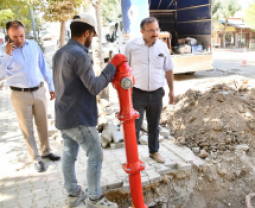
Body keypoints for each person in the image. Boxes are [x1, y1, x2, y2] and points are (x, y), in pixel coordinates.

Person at [52, 13, 124, 208]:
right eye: (93, 35)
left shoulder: (60, 53)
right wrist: (112, 67)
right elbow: (94, 87)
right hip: (79, 117)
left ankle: (74, 194)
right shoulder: (79, 55)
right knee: (95, 155)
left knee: (69, 154)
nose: (93, 40)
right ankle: (95, 199)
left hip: (63, 114)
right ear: (86, 33)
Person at [0, 21, 60, 172]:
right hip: (20, 95)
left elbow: (43, 66)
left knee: (43, 125)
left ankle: (46, 152)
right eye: (15, 37)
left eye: (21, 35)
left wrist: (51, 86)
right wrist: (7, 55)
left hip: (39, 91)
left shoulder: (33, 45)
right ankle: (36, 158)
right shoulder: (3, 51)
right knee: (27, 129)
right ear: (8, 35)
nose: (19, 40)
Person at [124, 17, 175, 163]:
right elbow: (122, 70)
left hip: (156, 93)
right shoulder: (131, 47)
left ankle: (154, 151)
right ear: (142, 31)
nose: (155, 33)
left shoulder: (162, 47)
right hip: (137, 93)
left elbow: (169, 69)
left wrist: (172, 90)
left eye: (157, 29)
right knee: (134, 128)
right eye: (151, 30)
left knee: (154, 126)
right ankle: (133, 157)